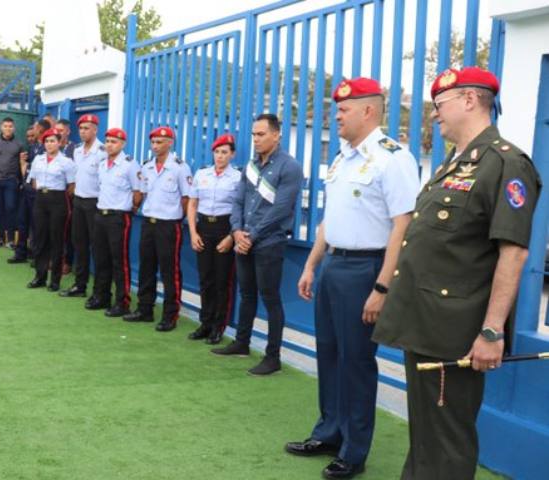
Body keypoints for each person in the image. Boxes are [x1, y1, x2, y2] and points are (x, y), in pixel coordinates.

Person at [373, 67, 540, 480]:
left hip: (456, 332)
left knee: (447, 442)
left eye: (439, 105)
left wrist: (492, 331)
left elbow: (513, 253)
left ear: (469, 100)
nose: (433, 116)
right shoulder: (457, 163)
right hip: (426, 323)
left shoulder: (506, 163)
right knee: (427, 434)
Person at [285, 78, 420, 479]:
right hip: (334, 266)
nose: (336, 115)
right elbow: (331, 219)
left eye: (344, 109)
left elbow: (403, 225)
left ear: (369, 111)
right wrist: (312, 264)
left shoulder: (392, 158)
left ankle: (354, 450)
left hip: (366, 269)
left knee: (357, 362)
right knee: (327, 353)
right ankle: (329, 431)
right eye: (336, 109)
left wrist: (382, 286)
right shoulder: (343, 157)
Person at [211, 115, 302, 373]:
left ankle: (273, 357)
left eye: (261, 134)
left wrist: (250, 236)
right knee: (247, 294)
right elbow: (238, 201)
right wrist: (237, 231)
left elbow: (281, 209)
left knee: (270, 298)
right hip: (244, 240)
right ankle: (242, 343)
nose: (256, 139)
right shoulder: (251, 166)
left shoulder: (290, 167)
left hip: (268, 243)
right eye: (253, 135)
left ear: (276, 135)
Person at [123, 126, 192, 332]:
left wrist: (180, 221)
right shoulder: (146, 167)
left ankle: (170, 315)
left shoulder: (180, 167)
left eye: (160, 142)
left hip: (169, 225)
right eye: (153, 142)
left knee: (170, 272)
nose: (155, 146)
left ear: (170, 142)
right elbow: (142, 194)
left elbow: (186, 198)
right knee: (147, 267)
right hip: (149, 222)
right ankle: (145, 309)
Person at [186, 134, 243, 345]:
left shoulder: (238, 177)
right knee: (205, 279)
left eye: (224, 152)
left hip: (225, 228)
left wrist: (230, 236)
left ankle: (219, 327)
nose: (220, 156)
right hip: (203, 228)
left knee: (222, 281)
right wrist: (193, 232)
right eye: (217, 152)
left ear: (232, 154)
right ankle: (205, 323)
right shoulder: (202, 174)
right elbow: (192, 204)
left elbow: (242, 209)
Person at [88, 127, 142, 316]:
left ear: (123, 144)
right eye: (108, 141)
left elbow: (137, 193)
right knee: (101, 259)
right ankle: (101, 296)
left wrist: (130, 209)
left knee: (119, 261)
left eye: (114, 142)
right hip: (100, 215)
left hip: (118, 217)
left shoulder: (129, 165)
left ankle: (122, 302)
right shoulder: (103, 164)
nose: (110, 145)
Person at [60, 114, 107, 298]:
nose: (83, 132)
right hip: (79, 202)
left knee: (98, 248)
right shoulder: (77, 151)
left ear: (95, 129)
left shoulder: (102, 151)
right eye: (81, 128)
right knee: (79, 245)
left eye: (87, 128)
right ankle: (80, 285)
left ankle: (99, 290)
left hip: (95, 203)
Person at [26, 128, 76, 291]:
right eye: (47, 141)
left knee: (56, 240)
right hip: (41, 199)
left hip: (58, 200)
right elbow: (33, 181)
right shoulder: (38, 160)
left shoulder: (67, 162)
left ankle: (55, 280)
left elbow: (71, 186)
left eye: (53, 141)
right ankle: (39, 277)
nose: (49, 144)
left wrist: (56, 195)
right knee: (40, 239)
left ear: (60, 143)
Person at [11, 119, 51, 264]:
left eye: (34, 128)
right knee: (22, 222)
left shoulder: (46, 148)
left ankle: (36, 255)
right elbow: (28, 169)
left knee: (37, 225)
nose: (32, 131)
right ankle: (20, 252)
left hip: (37, 192)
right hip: (26, 190)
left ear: (39, 129)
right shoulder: (33, 147)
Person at [0, 117, 26, 248]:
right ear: (1, 127)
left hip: (11, 181)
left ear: (14, 128)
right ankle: (0, 238)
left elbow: (22, 163)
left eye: (10, 126)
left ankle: (11, 240)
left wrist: (23, 181)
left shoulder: (19, 144)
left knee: (10, 208)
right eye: (5, 126)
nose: (8, 128)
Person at [56, 119, 77, 274]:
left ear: (68, 131)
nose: (58, 133)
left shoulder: (74, 149)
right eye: (56, 130)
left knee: (68, 230)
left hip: (69, 196)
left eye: (61, 130)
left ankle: (67, 261)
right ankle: (54, 258)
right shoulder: (51, 147)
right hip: (53, 195)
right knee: (54, 228)